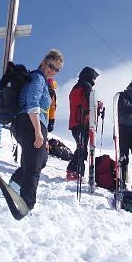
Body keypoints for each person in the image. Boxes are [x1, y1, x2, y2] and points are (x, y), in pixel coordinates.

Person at [12, 50, 63, 210]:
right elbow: (32, 102)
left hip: (31, 123)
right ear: (43, 63)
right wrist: (37, 131)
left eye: (57, 69)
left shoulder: (44, 82)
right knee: (34, 166)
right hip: (30, 122)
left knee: (41, 160)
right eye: (51, 66)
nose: (53, 71)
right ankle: (26, 204)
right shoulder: (37, 78)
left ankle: (13, 185)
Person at [66, 67, 101, 181]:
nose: (94, 81)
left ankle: (75, 171)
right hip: (82, 121)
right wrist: (97, 107)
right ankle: (74, 171)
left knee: (81, 146)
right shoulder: (86, 85)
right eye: (94, 78)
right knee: (82, 147)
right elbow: (90, 102)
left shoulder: (75, 87)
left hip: (75, 122)